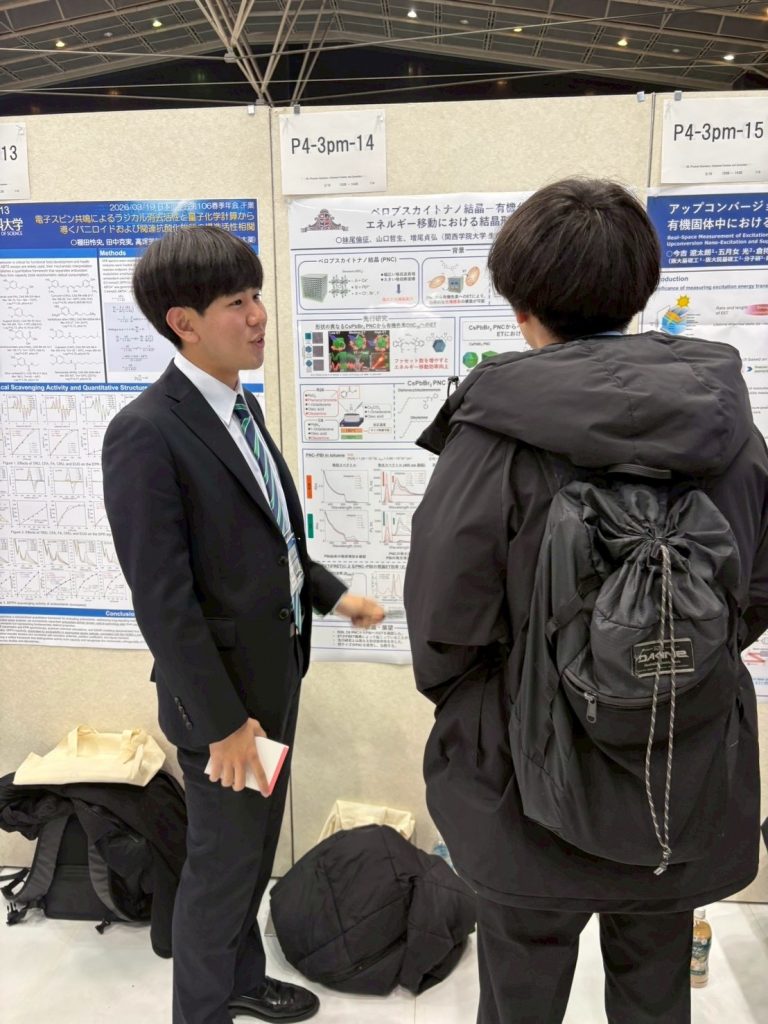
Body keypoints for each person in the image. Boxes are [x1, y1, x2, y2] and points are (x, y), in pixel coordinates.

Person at [404, 178, 768, 1024]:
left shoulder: (492, 438)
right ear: (639, 294)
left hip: (523, 781)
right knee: (655, 987)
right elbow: (753, 587)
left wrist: (496, 705)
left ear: (522, 308)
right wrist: (663, 668)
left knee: (520, 992)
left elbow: (444, 619)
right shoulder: (728, 431)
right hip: (680, 759)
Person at [102, 225, 384, 1024]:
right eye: (237, 302)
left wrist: (333, 596)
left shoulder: (240, 407)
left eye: (257, 295)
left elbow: (272, 543)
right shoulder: (146, 431)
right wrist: (223, 725)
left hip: (273, 682)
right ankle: (202, 1011)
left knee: (252, 854)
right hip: (224, 709)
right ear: (183, 323)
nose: (259, 315)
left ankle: (240, 979)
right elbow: (164, 602)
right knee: (221, 869)